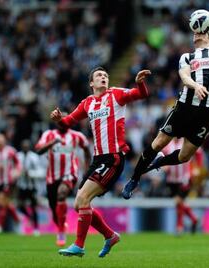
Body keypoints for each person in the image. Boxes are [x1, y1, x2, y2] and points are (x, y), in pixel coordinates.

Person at [122, 32, 209, 199]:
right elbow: (184, 76)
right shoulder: (187, 56)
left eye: (201, 32)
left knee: (184, 156)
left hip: (207, 112)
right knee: (158, 143)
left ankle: (160, 162)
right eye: (194, 32)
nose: (196, 34)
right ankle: (134, 179)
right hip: (185, 107)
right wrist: (195, 85)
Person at [50, 67, 151, 257]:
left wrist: (139, 82)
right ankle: (110, 235)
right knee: (79, 204)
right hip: (98, 159)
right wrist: (58, 120)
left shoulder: (117, 94)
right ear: (91, 83)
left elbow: (142, 94)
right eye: (99, 76)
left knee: (82, 199)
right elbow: (68, 122)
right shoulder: (87, 103)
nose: (103, 77)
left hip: (113, 157)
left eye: (106, 75)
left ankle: (79, 245)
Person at [35, 124, 91, 246]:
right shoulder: (48, 134)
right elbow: (38, 150)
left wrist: (88, 169)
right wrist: (52, 142)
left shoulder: (77, 136)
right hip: (52, 177)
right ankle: (61, 224)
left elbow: (87, 149)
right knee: (54, 209)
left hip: (70, 173)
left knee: (61, 194)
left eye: (66, 121)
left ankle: (61, 232)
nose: (63, 124)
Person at [161, 138, 201, 234]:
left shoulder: (186, 141)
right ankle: (194, 219)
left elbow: (198, 153)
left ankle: (179, 226)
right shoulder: (167, 143)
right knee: (179, 203)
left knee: (178, 201)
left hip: (184, 178)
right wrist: (163, 166)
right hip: (171, 179)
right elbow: (162, 156)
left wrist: (197, 168)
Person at [17, 140, 44, 236]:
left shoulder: (34, 157)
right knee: (19, 206)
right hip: (22, 185)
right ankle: (30, 218)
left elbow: (41, 172)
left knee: (34, 207)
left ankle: (36, 228)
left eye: (27, 146)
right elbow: (15, 169)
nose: (25, 148)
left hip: (32, 186)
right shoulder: (18, 156)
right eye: (23, 146)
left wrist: (31, 174)